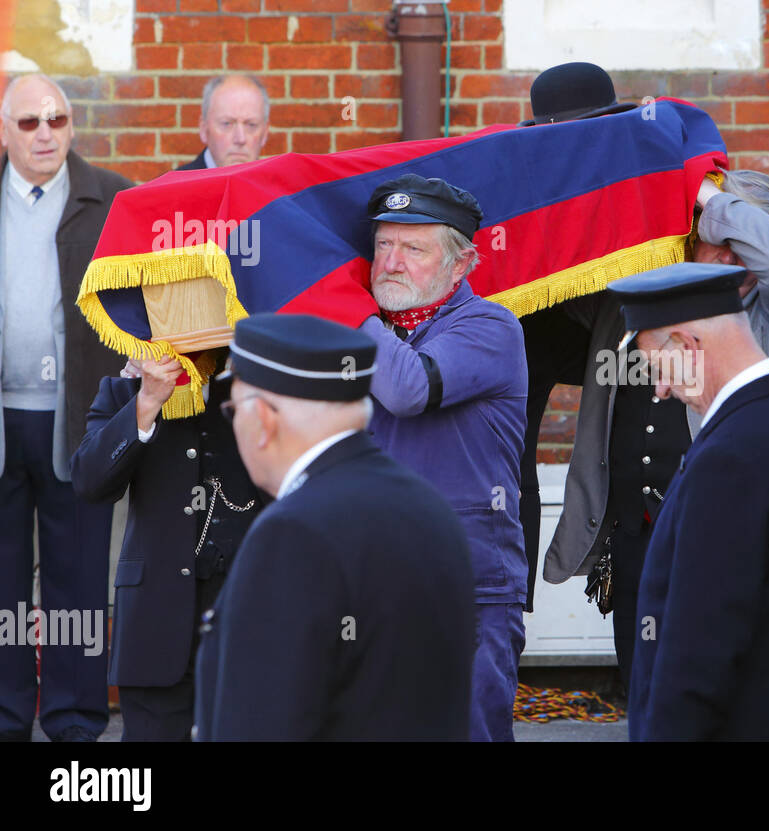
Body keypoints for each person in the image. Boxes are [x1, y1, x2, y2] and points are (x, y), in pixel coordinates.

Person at [543, 169, 769, 687]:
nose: (726, 258)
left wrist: (708, 196)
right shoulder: (640, 300)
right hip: (637, 531)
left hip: (729, 531)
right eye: (713, 242)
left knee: (715, 687)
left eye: (742, 244)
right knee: (642, 686)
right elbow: (561, 277)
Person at [607, 262, 769, 740]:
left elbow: (697, 655)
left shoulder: (729, 458)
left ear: (688, 347)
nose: (661, 389)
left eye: (656, 368)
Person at [193, 314, 476, 740]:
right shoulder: (429, 507)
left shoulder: (292, 533)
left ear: (263, 421)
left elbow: (261, 722)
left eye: (232, 410)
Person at [357, 174, 528, 742]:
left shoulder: (490, 326)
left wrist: (345, 308)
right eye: (383, 245)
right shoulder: (376, 335)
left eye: (414, 248)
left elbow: (407, 389)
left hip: (467, 584)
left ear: (461, 265)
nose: (391, 263)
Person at [0, 72, 133, 742]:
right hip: (1, 420)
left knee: (79, 580)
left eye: (57, 118)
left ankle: (76, 719)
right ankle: (4, 712)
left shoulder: (111, 198)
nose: (45, 132)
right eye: (29, 122)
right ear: (5, 132)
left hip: (76, 417)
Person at [71, 350, 263, 740]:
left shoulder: (257, 382)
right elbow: (89, 482)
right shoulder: (125, 388)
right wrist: (146, 402)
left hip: (246, 619)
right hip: (155, 623)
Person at [516, 61, 637, 613]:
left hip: (624, 338)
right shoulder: (524, 188)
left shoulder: (636, 183)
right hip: (537, 324)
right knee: (509, 451)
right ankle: (512, 602)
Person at [177, 74, 271, 170]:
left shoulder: (277, 184)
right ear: (204, 129)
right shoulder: (175, 184)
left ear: (265, 133)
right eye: (227, 123)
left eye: (251, 125)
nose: (240, 139)